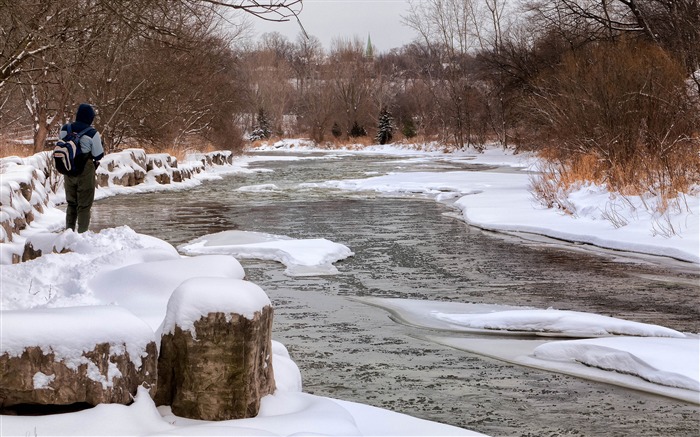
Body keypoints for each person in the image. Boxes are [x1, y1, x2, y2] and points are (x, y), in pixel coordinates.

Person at [59, 103, 104, 233]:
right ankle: (82, 234)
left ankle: (69, 233)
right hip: (85, 170)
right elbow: (98, 155)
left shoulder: (64, 129)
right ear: (90, 118)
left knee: (71, 203)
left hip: (68, 168)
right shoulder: (92, 133)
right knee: (84, 205)